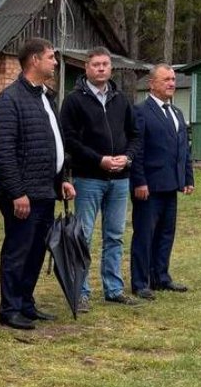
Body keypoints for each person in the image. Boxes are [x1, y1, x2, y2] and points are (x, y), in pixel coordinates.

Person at [0, 38, 76, 330]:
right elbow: (3, 151)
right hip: (23, 194)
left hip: (45, 190)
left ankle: (26, 302)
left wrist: (62, 180)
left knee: (37, 250)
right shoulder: (9, 100)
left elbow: (53, 144)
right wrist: (17, 192)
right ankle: (10, 309)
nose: (55, 62)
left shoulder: (45, 97)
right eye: (51, 57)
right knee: (19, 250)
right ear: (34, 60)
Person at [59, 47, 141, 310]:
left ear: (111, 68)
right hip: (89, 178)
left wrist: (127, 157)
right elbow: (69, 139)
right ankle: (81, 291)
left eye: (105, 64)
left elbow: (135, 135)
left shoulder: (121, 99)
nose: (101, 68)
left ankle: (113, 289)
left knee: (115, 235)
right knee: (83, 236)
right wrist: (98, 160)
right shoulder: (74, 101)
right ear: (86, 68)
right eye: (96, 64)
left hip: (120, 179)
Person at [129, 64, 194, 299]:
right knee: (145, 235)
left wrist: (187, 177)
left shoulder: (177, 112)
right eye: (166, 79)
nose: (171, 83)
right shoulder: (141, 112)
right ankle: (140, 282)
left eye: (173, 79)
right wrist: (139, 181)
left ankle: (161, 277)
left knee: (166, 233)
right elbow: (137, 150)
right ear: (152, 84)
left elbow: (184, 148)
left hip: (171, 184)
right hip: (149, 186)